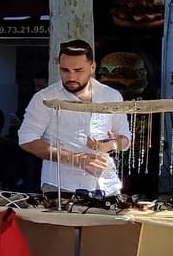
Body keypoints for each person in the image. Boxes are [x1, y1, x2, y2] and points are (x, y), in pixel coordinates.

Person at [18, 39, 132, 195]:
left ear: (92, 67)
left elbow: (125, 138)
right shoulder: (45, 98)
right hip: (61, 186)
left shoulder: (111, 95)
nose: (71, 76)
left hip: (107, 185)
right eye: (65, 70)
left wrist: (110, 145)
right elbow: (26, 139)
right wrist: (74, 159)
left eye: (78, 70)